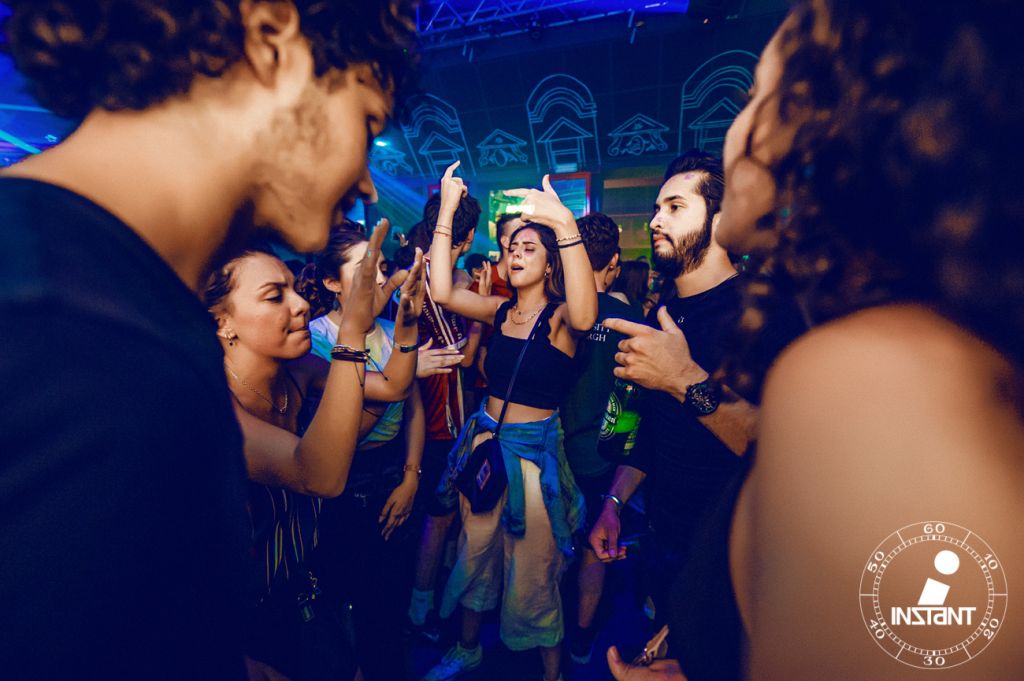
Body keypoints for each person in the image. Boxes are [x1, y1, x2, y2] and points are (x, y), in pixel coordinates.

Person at [605, 2, 1024, 680]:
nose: (738, 126)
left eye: (755, 98)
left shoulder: (856, 365)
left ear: (825, 128)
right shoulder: (903, 338)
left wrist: (685, 380)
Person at [0, 1, 416, 678]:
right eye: (368, 120)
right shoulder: (53, 317)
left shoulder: (129, 300)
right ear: (271, 38)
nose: (368, 179)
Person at [589, 151, 804, 646]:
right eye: (656, 208)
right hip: (665, 544)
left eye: (675, 207)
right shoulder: (662, 314)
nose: (655, 220)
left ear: (721, 221)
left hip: (734, 560)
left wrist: (683, 380)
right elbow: (645, 434)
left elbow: (783, 450)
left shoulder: (764, 313)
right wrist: (614, 503)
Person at [205, 223, 421, 680]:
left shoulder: (300, 369)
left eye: (292, 288)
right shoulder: (214, 405)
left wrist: (406, 324)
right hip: (239, 620)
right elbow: (318, 475)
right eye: (274, 296)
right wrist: (352, 334)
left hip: (305, 587)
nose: (300, 303)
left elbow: (393, 387)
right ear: (223, 322)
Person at [421, 161, 597, 681]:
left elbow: (586, 316)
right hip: (486, 450)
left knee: (533, 573)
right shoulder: (499, 312)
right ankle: (468, 649)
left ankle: (551, 673)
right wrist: (447, 210)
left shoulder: (560, 318)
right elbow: (442, 290)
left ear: (550, 262)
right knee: (474, 554)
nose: (515, 255)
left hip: (532, 463)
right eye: (511, 248)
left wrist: (564, 224)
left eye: (528, 249)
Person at [298, 223, 446, 680]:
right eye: (367, 268)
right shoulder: (315, 340)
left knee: (389, 599)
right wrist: (401, 375)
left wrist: (411, 476)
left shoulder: (390, 329)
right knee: (349, 600)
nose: (381, 277)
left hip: (393, 471)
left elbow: (414, 408)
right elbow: (342, 438)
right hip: (347, 480)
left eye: (383, 267)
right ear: (330, 281)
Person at [558, 212, 645, 666]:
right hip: (602, 455)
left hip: (553, 450)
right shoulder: (629, 319)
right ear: (613, 262)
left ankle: (548, 632)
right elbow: (631, 400)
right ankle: (581, 639)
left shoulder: (556, 311)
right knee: (597, 545)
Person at [405, 189, 481, 639]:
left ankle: (431, 600)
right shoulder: (427, 283)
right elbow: (461, 356)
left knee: (445, 517)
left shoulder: (445, 283)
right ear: (467, 238)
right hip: (429, 424)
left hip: (445, 421)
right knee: (435, 519)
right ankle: (420, 610)